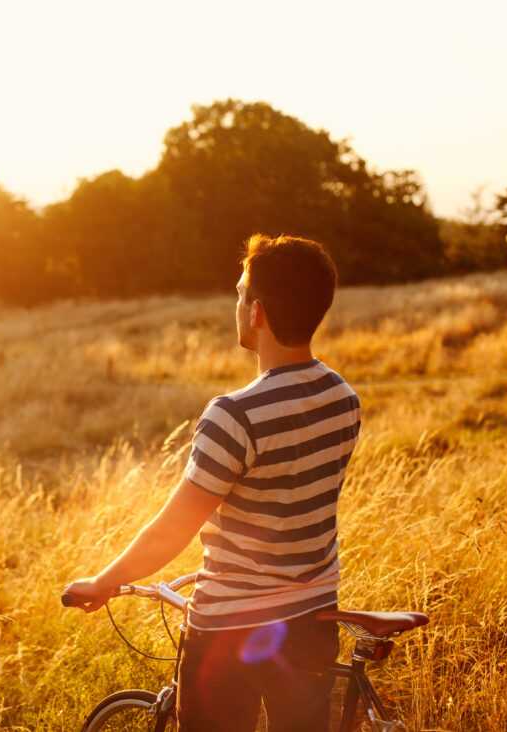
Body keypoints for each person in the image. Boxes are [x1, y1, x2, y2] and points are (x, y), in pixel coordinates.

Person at [63, 233, 361, 731]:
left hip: (230, 629)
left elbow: (172, 530)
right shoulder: (342, 397)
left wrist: (103, 582)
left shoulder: (234, 415)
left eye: (240, 293)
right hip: (313, 617)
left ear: (257, 313)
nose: (237, 303)